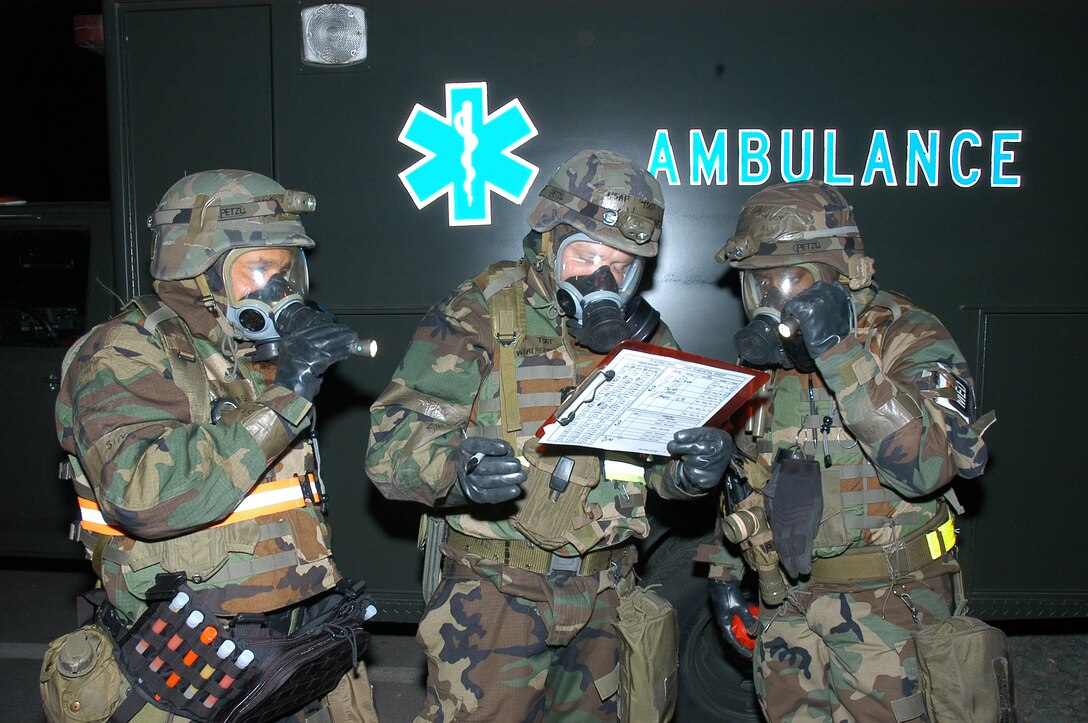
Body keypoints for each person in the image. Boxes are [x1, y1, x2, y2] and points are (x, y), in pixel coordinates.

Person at [366, 149, 732, 721]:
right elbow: (391, 453)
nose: (601, 278)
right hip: (496, 595)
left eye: (620, 265)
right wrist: (459, 472)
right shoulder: (479, 312)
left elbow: (659, 466)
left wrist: (689, 475)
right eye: (583, 256)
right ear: (548, 243)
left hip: (606, 594)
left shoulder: (648, 336)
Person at [52, 170, 379, 722]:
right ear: (197, 268)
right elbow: (145, 495)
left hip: (295, 642)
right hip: (188, 662)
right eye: (260, 270)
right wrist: (286, 397)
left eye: (288, 270)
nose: (282, 290)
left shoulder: (245, 353)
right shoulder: (121, 354)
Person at [703, 180, 993, 721]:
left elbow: (926, 468)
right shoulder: (765, 363)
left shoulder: (909, 336)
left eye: (790, 280)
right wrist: (725, 574)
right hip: (786, 603)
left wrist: (840, 352)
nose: (774, 302)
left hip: (891, 605)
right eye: (759, 285)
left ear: (844, 275)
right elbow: (743, 473)